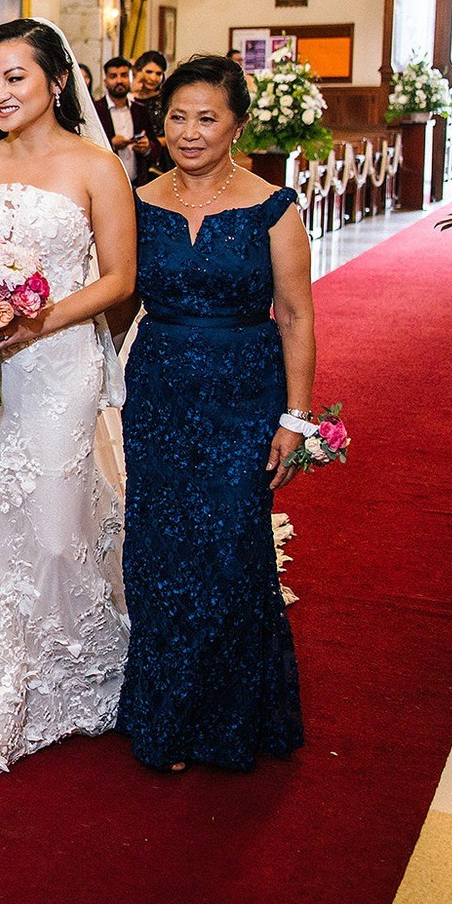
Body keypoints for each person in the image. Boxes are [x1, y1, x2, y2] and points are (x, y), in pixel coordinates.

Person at [0, 17, 136, 778]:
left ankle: (71, 678)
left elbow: (118, 276)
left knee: (56, 528)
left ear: (57, 81)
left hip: (56, 362)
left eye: (15, 76)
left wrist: (33, 323)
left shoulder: (95, 165)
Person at [116, 55, 312, 773]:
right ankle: (166, 711)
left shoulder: (273, 207)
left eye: (207, 118)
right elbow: (117, 303)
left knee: (231, 547)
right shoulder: (137, 201)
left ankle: (229, 714)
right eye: (177, 117)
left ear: (237, 124)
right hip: (161, 391)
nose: (190, 132)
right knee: (159, 548)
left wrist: (297, 418)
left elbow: (294, 314)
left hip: (244, 393)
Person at [93, 55, 155, 186]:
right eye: (113, 76)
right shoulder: (95, 110)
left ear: (131, 78)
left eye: (124, 75)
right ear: (105, 81)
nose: (119, 81)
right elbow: (86, 147)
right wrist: (111, 144)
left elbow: (155, 145)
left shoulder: (140, 109)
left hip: (137, 183)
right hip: (105, 183)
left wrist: (147, 146)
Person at [134, 50, 174, 180]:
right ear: (138, 71)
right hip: (131, 158)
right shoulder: (127, 99)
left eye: (158, 73)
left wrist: (152, 143)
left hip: (162, 161)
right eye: (149, 72)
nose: (153, 78)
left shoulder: (166, 99)